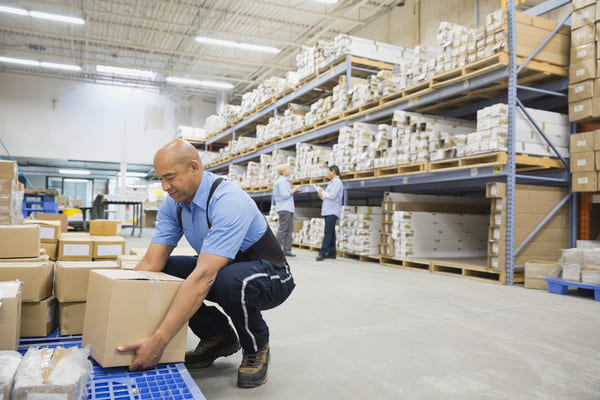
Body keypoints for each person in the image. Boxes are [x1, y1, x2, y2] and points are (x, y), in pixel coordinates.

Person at [119, 139, 295, 389]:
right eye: (160, 179)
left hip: (271, 275)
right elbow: (151, 262)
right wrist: (119, 305)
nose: (165, 186)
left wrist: (159, 340)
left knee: (230, 281)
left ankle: (256, 346)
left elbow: (204, 277)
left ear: (194, 167)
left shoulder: (227, 200)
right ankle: (218, 337)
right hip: (222, 268)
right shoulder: (174, 203)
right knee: (165, 273)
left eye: (170, 177)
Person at [272, 164, 301, 257]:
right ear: (284, 172)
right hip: (284, 208)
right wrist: (294, 190)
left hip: (288, 208)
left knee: (289, 229)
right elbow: (285, 195)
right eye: (288, 169)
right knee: (283, 230)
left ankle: (287, 250)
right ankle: (275, 250)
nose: (289, 170)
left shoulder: (283, 181)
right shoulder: (282, 181)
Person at [316, 165, 343, 261]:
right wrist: (321, 194)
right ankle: (332, 253)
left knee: (327, 232)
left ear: (334, 172)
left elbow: (332, 196)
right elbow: (326, 196)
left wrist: (323, 192)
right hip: (328, 210)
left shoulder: (337, 182)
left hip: (332, 211)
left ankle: (322, 252)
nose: (327, 174)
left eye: (329, 172)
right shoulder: (332, 183)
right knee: (331, 232)